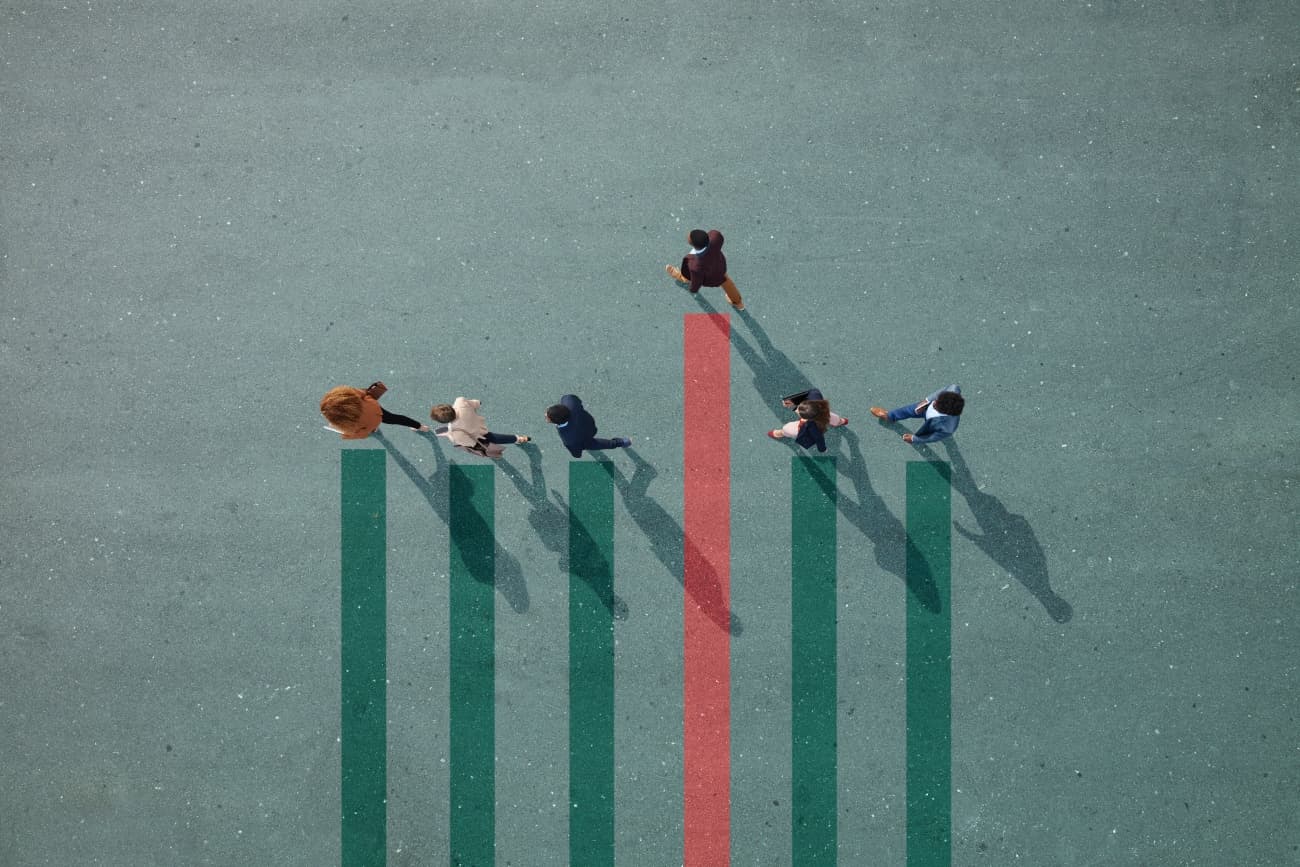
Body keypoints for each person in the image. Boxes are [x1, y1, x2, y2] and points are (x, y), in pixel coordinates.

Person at [665, 228, 745, 310]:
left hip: (709, 278)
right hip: (719, 267)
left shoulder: (694, 265)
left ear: (692, 244)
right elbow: (715, 234)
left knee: (689, 275)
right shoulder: (715, 237)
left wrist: (693, 289)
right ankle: (739, 303)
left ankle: (682, 277)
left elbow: (697, 282)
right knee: (727, 283)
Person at [320, 381, 429, 439]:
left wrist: (345, 435)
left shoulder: (350, 422)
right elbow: (363, 393)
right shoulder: (351, 396)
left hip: (370, 424)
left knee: (370, 427)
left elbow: (361, 434)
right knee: (395, 418)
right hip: (375, 408)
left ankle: (375, 429)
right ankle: (420, 426)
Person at [430, 397, 530, 459]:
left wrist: (450, 436)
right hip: (479, 425)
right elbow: (475, 403)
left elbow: (471, 443)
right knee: (495, 437)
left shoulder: (456, 433)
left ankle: (514, 441)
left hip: (478, 436)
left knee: (493, 439)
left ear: (444, 421)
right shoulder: (460, 402)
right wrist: (478, 403)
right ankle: (519, 439)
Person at [869, 385, 964, 444]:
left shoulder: (948, 428)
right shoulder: (953, 389)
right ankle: (889, 416)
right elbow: (943, 391)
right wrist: (926, 401)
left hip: (932, 424)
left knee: (938, 435)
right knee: (907, 410)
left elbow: (931, 437)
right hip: (923, 409)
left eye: (936, 406)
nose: (933, 403)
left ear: (945, 412)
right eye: (937, 400)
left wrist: (915, 439)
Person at [545, 395, 631, 458]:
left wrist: (577, 455)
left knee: (598, 444)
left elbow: (575, 451)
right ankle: (623, 442)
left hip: (583, 439)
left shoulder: (568, 439)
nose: (545, 415)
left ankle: (620, 442)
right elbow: (574, 399)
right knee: (598, 439)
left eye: (548, 417)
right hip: (589, 424)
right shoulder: (569, 401)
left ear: (557, 422)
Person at [767, 388, 848, 452]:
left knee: (787, 429)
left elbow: (819, 438)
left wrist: (822, 449)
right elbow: (812, 391)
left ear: (808, 419)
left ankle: (781, 433)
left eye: (800, 413)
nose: (797, 410)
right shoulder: (816, 398)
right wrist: (793, 401)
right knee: (834, 418)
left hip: (813, 422)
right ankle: (841, 421)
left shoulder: (812, 426)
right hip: (825, 414)